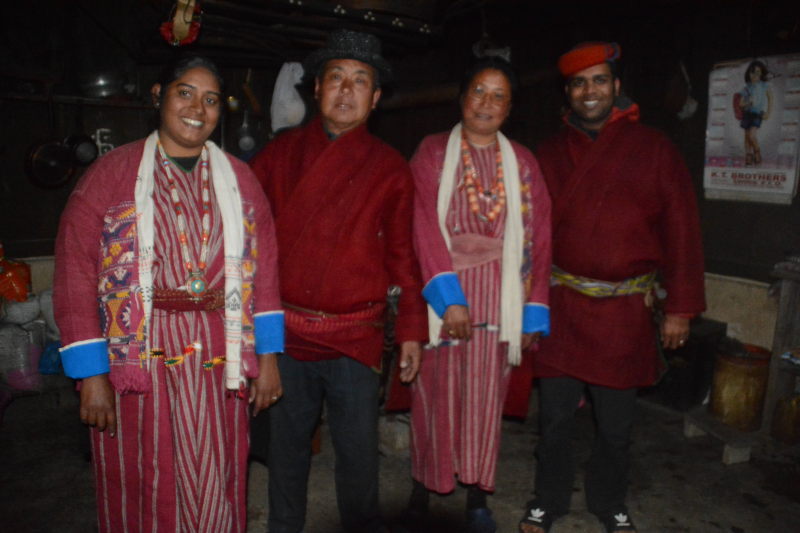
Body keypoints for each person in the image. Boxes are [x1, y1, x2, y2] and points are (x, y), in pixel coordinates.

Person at [53, 55, 285, 533]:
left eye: (212, 99)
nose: (197, 107)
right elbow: (75, 274)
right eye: (185, 92)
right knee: (143, 472)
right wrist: (91, 375)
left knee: (217, 469)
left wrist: (269, 357)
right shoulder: (108, 175)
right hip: (140, 357)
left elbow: (265, 272)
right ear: (159, 96)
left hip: (221, 350)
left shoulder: (241, 180)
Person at [518, 42, 706, 533]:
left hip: (623, 313)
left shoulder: (655, 148)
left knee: (617, 428)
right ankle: (548, 499)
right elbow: (528, 234)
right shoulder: (550, 152)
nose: (590, 91)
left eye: (599, 80)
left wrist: (679, 308)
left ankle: (609, 502)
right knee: (554, 420)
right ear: (568, 92)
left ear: (617, 86)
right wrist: (523, 302)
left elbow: (682, 231)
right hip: (560, 307)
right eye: (579, 83)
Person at [249, 29, 428, 533]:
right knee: (286, 451)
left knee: (357, 456)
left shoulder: (391, 168)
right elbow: (247, 242)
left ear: (374, 98)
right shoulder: (277, 157)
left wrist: (411, 329)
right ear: (316, 90)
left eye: (360, 81)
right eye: (335, 79)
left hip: (356, 336)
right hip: (286, 336)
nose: (346, 91)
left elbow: (403, 257)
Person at [404, 56, 552, 533]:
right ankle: (422, 490)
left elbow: (539, 238)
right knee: (434, 396)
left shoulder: (524, 163)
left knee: (485, 400)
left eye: (498, 96)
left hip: (501, 297)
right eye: (479, 92)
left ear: (509, 108)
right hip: (441, 294)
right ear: (462, 98)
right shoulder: (431, 153)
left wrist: (531, 316)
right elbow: (422, 226)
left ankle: (477, 496)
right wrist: (449, 299)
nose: (486, 103)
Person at [738, 60, 773, 166]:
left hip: (757, 114)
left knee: (752, 135)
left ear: (761, 73)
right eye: (752, 72)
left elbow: (771, 99)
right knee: (746, 136)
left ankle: (757, 152)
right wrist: (748, 102)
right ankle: (748, 155)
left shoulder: (764, 86)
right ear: (749, 73)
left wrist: (768, 113)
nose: (755, 75)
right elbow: (741, 104)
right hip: (747, 113)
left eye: (758, 72)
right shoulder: (747, 87)